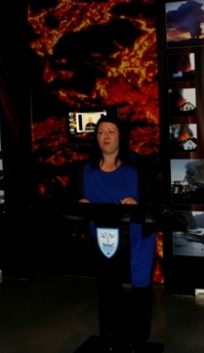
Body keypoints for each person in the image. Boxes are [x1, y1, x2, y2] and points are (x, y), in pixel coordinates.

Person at [72, 115, 156, 353]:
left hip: (136, 236)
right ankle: (111, 334)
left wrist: (138, 203)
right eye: (100, 132)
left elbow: (154, 198)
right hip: (104, 239)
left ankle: (138, 337)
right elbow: (71, 198)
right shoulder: (84, 169)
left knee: (139, 285)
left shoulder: (138, 164)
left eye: (111, 131)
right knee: (108, 286)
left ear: (121, 136)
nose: (105, 136)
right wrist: (79, 201)